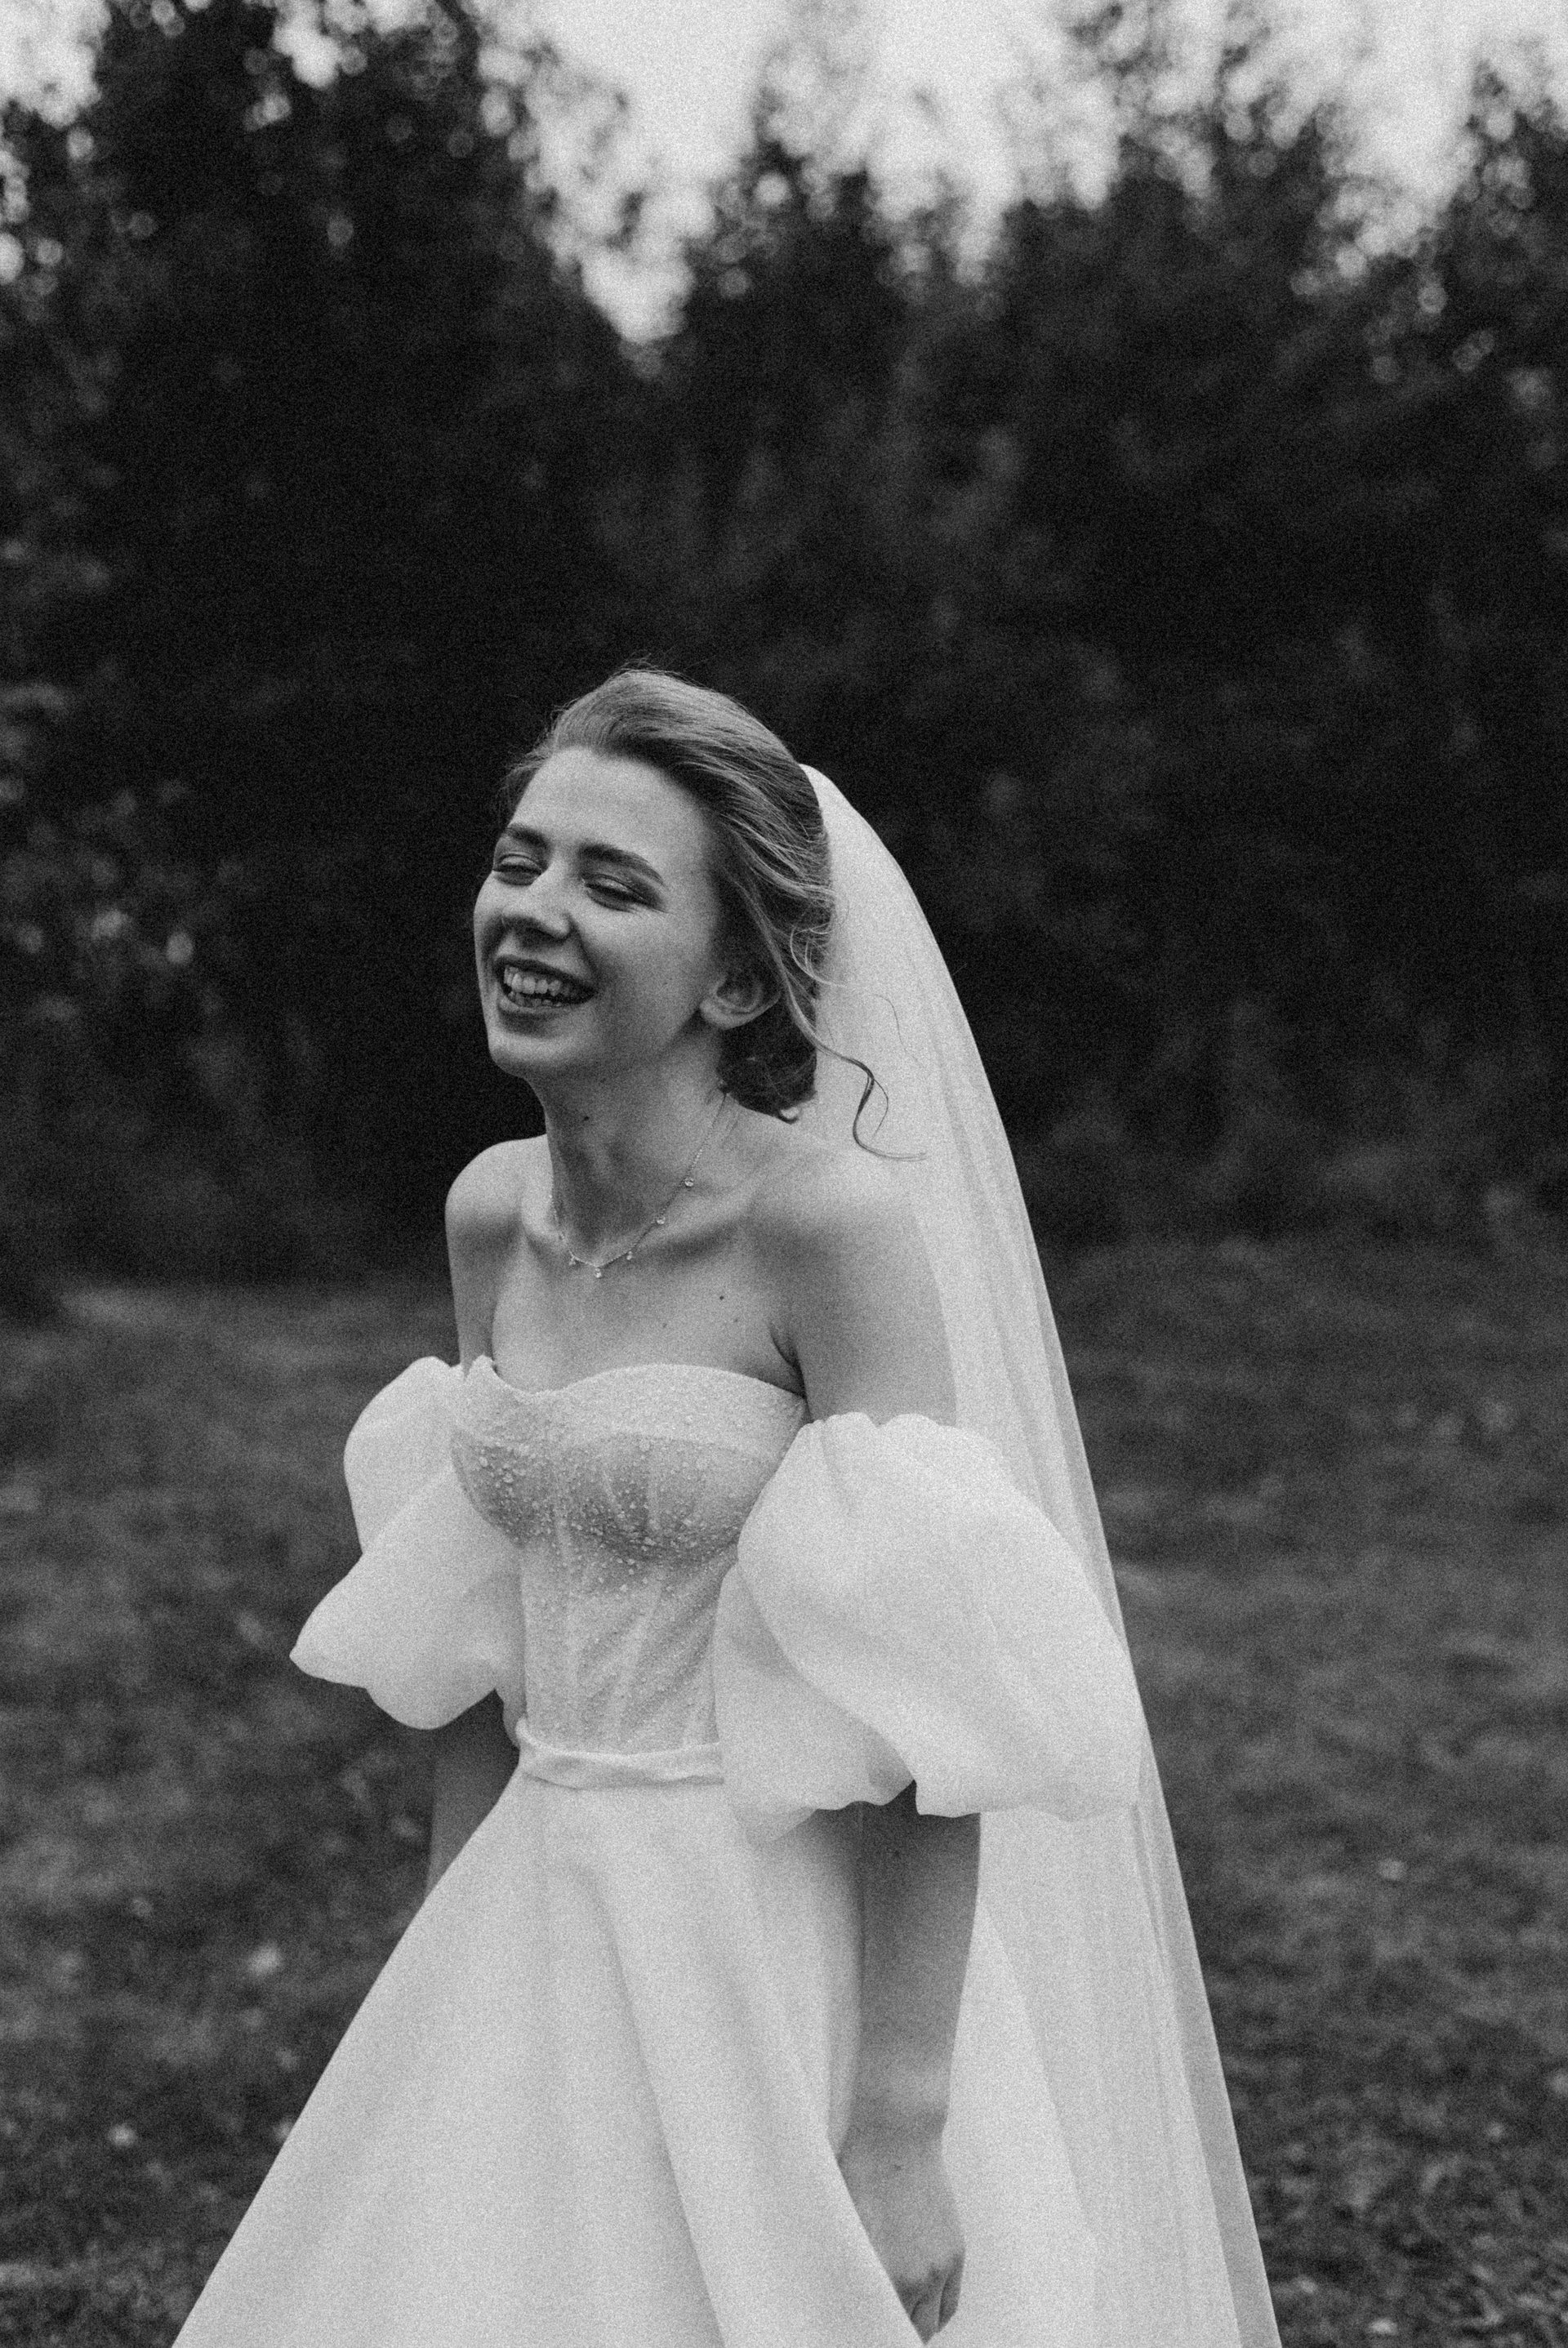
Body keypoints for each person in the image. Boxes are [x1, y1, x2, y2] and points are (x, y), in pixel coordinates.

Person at [172, 668, 1281, 2346]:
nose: (534, 912)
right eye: (521, 861)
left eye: (613, 885)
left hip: (771, 1942)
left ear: (740, 975)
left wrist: (899, 2122)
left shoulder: (822, 1232)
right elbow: (481, 1630)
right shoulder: (492, 1213)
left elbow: (924, 1693)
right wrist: (438, 1977)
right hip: (538, 1906)